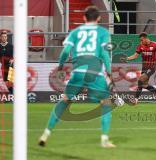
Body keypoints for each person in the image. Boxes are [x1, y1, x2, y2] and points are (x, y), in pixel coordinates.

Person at [39, 6, 116, 148]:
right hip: (95, 73)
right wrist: (110, 72)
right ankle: (104, 139)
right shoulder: (103, 32)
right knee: (106, 103)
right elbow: (105, 54)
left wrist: (61, 65)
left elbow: (65, 51)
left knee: (65, 101)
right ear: (99, 18)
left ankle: (46, 133)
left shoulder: (75, 32)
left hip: (77, 73)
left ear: (84, 18)